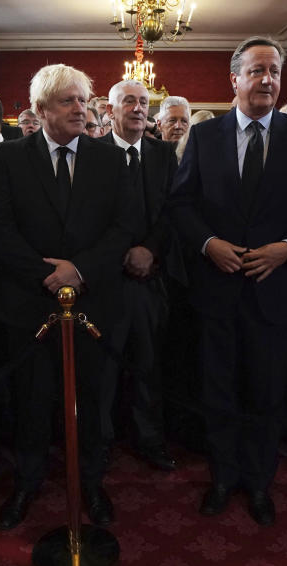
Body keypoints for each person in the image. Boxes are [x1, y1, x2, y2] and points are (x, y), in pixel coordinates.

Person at [169, 36, 287, 526]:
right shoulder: (204, 136)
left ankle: (260, 482)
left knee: (267, 391)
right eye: (258, 70)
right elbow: (180, 204)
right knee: (218, 389)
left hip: (275, 291)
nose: (267, 80)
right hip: (217, 289)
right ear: (235, 78)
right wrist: (208, 243)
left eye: (275, 72)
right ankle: (222, 477)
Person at [0, 63, 137, 531]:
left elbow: (124, 226)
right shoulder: (8, 158)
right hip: (28, 303)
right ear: (40, 108)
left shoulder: (110, 158)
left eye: (82, 100)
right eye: (67, 100)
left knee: (93, 400)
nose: (79, 109)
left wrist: (79, 270)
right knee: (31, 400)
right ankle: (27, 481)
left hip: (94, 304)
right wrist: (49, 275)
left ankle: (91, 481)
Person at [98, 79, 180, 472]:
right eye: (128, 101)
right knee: (103, 370)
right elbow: (86, 218)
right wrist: (122, 255)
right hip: (106, 283)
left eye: (144, 102)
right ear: (110, 110)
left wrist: (150, 250)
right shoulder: (91, 153)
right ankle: (100, 442)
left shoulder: (164, 154)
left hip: (151, 280)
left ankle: (149, 439)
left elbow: (171, 211)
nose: (137, 108)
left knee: (149, 365)